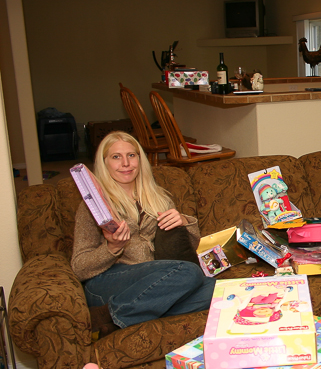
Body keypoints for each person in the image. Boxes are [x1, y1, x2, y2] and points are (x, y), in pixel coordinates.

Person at [72, 131, 216, 338]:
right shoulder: (92, 206)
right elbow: (79, 268)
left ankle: (118, 318)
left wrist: (184, 222)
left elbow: (187, 248)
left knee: (216, 290)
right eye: (116, 157)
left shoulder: (159, 197)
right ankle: (110, 313)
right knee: (189, 273)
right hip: (108, 281)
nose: (125, 163)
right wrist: (111, 247)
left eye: (132, 155)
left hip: (156, 281)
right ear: (104, 163)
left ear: (140, 159)